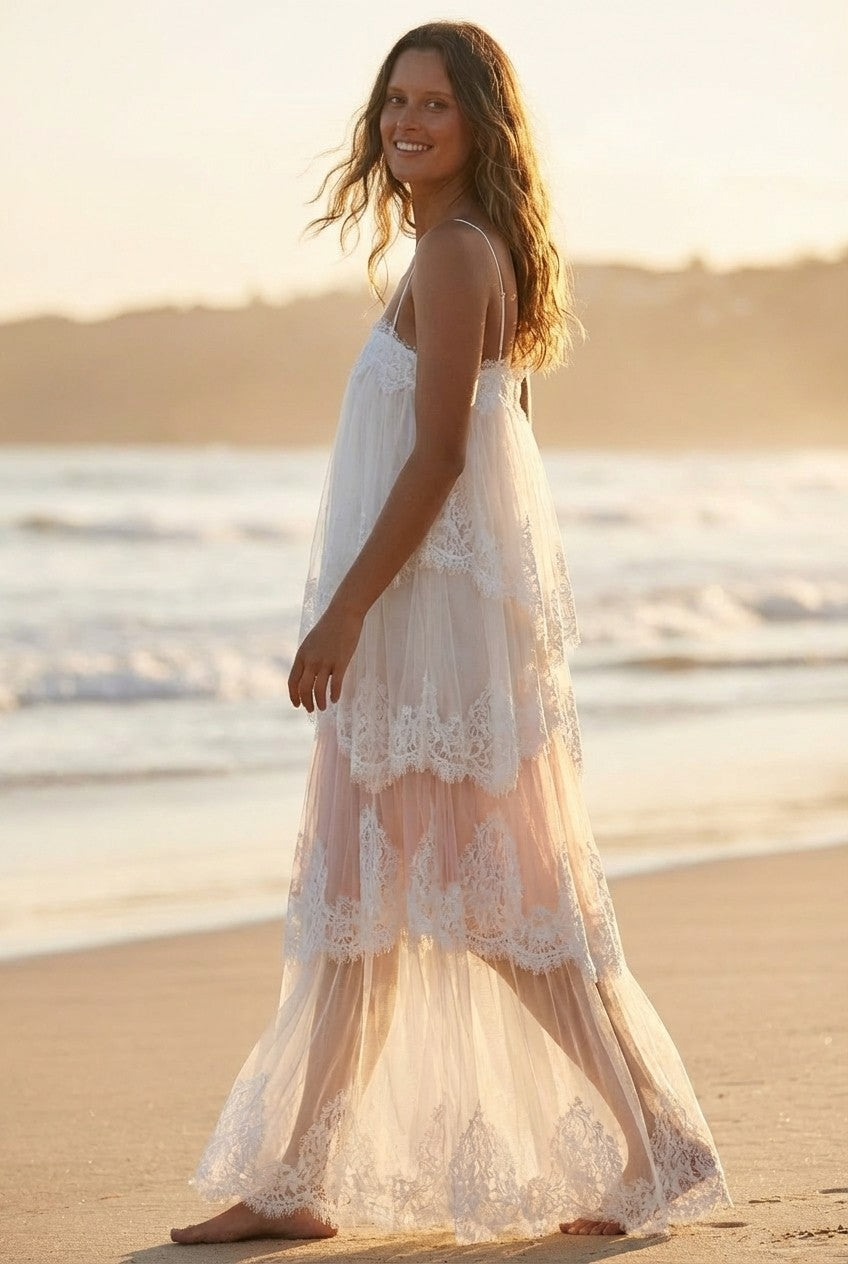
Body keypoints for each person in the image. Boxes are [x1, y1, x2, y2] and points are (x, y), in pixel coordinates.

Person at [171, 20, 731, 1246]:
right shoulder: (445, 251)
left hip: (425, 643)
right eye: (394, 103)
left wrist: (343, 611)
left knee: (501, 907)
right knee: (357, 906)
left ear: (482, 122)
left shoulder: (457, 255)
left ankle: (660, 1142)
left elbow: (439, 463)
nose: (407, 123)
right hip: (422, 637)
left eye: (433, 103)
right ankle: (297, 1180)